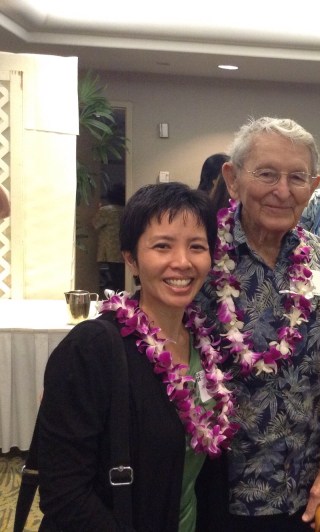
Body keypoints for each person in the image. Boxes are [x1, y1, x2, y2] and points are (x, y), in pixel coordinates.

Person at [37, 182, 234, 531]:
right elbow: (64, 493)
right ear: (131, 259)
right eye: (162, 246)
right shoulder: (93, 348)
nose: (182, 262)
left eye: (197, 247)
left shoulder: (207, 346)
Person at [196, 117, 320, 532]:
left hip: (303, 491)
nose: (282, 191)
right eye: (266, 174)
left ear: (314, 185)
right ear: (232, 179)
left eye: (297, 178)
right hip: (215, 490)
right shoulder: (199, 255)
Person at [93, 182, 125, 294]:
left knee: (114, 280)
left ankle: (115, 300)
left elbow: (95, 224)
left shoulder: (106, 210)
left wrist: (98, 209)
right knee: (122, 281)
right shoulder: (126, 210)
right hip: (123, 249)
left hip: (111, 251)